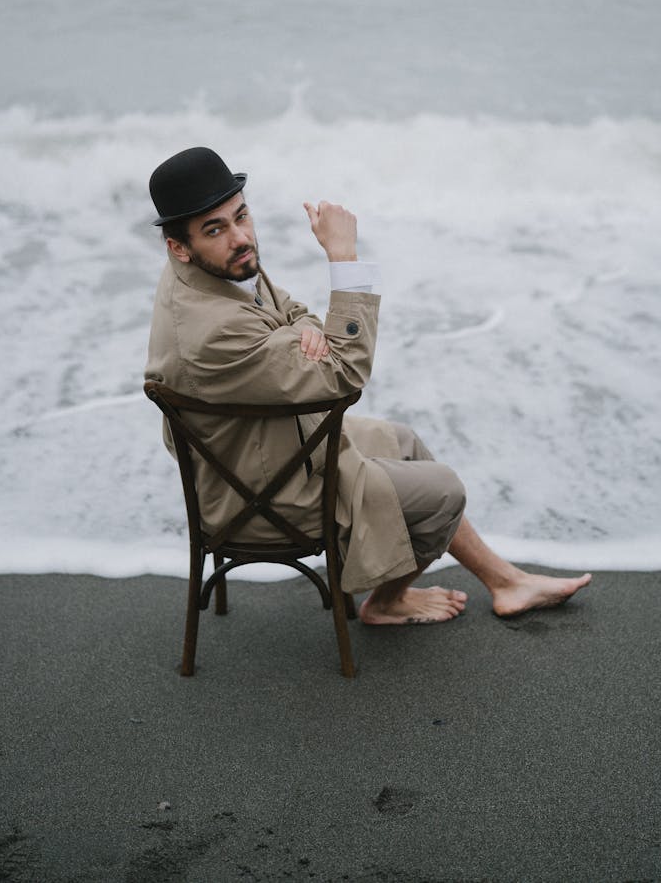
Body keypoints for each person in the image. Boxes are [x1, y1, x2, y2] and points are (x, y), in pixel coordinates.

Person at [145, 147, 591, 625]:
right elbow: (345, 375)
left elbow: (296, 314)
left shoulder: (219, 268)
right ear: (179, 246)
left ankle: (505, 582)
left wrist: (303, 337)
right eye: (216, 228)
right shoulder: (213, 328)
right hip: (260, 493)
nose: (240, 236)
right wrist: (343, 256)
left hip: (269, 444)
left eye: (241, 215)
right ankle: (386, 602)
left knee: (403, 440)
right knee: (445, 490)